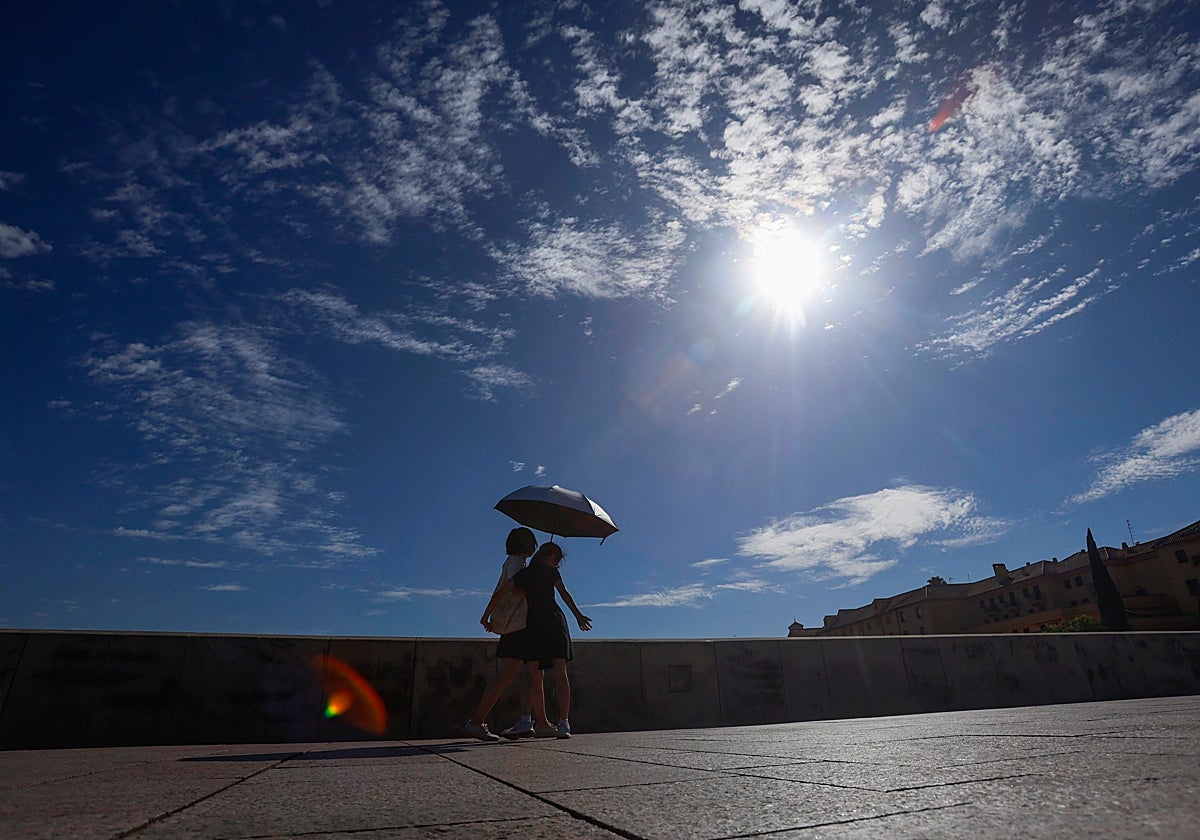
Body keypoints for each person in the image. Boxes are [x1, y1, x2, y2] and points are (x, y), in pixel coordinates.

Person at [461, 527, 555, 741]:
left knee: (529, 673)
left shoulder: (515, 562)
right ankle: (477, 721)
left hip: (520, 626)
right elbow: (516, 588)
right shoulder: (516, 563)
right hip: (518, 626)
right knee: (509, 674)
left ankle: (534, 721)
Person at [509, 541, 592, 738]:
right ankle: (563, 722)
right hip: (554, 621)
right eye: (557, 560)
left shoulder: (527, 573)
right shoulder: (550, 573)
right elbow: (564, 594)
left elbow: (511, 589)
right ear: (552, 557)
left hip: (536, 624)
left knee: (533, 673)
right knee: (559, 671)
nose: (557, 564)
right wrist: (578, 615)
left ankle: (526, 719)